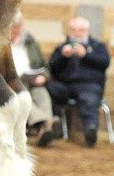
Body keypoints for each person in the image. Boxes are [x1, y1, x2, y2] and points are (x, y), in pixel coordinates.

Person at [47, 16, 111, 147]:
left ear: (87, 31)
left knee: (89, 99)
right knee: (49, 89)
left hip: (89, 86)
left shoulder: (98, 46)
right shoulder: (62, 48)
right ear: (69, 32)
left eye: (81, 30)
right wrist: (62, 57)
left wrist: (85, 55)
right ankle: (53, 127)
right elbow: (52, 68)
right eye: (74, 30)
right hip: (65, 86)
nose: (77, 33)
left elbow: (105, 62)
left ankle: (90, 131)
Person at [10, 12, 57, 147]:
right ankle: (45, 123)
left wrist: (43, 77)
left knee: (41, 92)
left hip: (31, 81)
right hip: (9, 84)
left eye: (15, 27)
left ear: (20, 27)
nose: (13, 31)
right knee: (21, 96)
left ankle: (46, 128)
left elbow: (44, 66)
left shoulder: (30, 42)